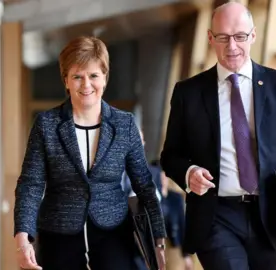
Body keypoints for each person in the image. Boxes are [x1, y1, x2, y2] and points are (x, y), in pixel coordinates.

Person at [160, 3, 276, 270]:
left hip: (271, 216)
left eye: (240, 36)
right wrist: (189, 172)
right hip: (216, 216)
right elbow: (170, 156)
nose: (232, 46)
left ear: (253, 35)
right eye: (223, 37)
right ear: (210, 38)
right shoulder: (188, 93)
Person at [13, 36, 166, 270]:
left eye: (94, 75)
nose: (86, 85)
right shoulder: (47, 124)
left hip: (114, 234)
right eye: (77, 76)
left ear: (105, 77)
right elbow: (30, 184)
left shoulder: (125, 124)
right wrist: (23, 238)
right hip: (59, 234)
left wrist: (158, 238)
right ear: (66, 80)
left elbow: (144, 185)